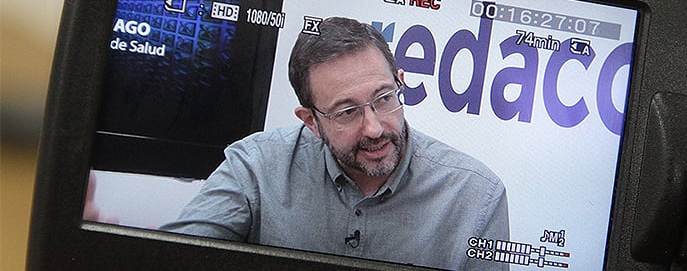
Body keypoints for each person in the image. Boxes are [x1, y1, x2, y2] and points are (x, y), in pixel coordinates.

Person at [161, 17, 510, 271]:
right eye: (347, 112)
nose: (374, 127)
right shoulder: (256, 166)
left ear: (400, 82)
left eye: (384, 97)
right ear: (311, 121)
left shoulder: (477, 195)